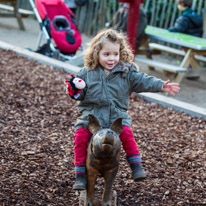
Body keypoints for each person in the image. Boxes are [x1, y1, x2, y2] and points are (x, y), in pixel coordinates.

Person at [66, 28, 180, 190]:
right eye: (106, 54)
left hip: (116, 118)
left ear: (121, 53)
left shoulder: (126, 72)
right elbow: (78, 94)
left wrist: (161, 85)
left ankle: (136, 166)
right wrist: (73, 90)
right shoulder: (86, 73)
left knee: (126, 133)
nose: (112, 58)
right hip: (91, 118)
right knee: (80, 136)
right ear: (96, 53)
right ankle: (80, 174)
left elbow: (143, 81)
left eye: (115, 54)